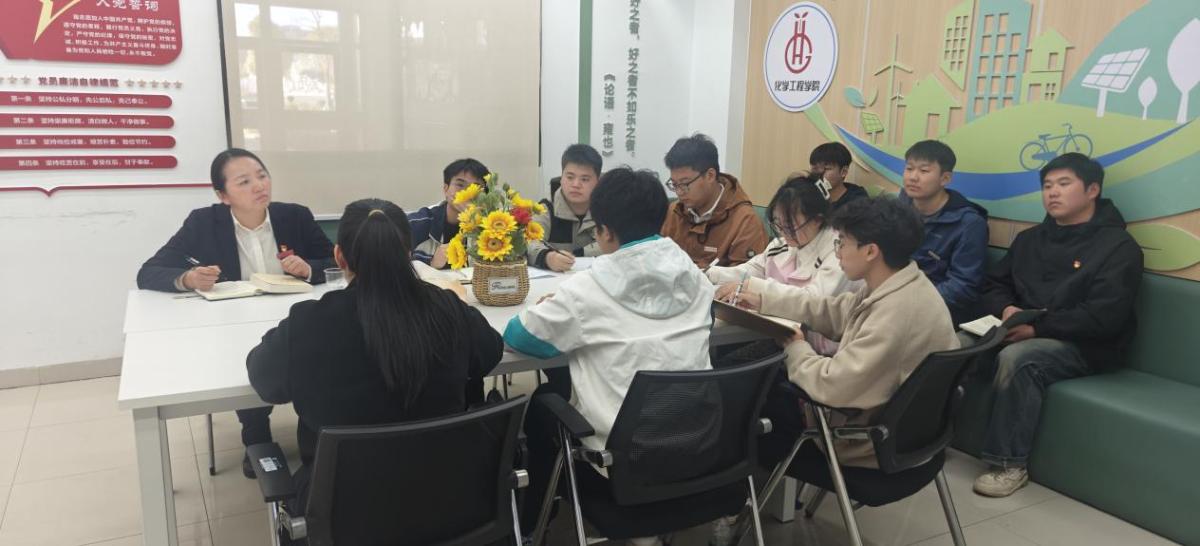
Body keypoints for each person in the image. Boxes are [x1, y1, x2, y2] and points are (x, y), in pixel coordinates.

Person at [246, 198, 503, 515]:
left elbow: (265, 381)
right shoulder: (447, 308)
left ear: (339, 256)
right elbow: (490, 352)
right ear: (407, 254)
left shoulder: (309, 322)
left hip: (341, 510)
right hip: (450, 502)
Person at [505, 168, 715, 545]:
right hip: (699, 447)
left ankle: (532, 525)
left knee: (543, 403)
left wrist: (559, 319)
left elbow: (520, 337)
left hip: (620, 465)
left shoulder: (586, 289)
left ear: (604, 232)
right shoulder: (696, 278)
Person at [137, 148, 334, 478]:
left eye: (262, 176)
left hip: (293, 318)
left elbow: (334, 261)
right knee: (248, 357)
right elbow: (149, 271)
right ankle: (256, 436)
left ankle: (314, 433)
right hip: (232, 326)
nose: (259, 185)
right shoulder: (203, 223)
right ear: (223, 195)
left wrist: (309, 268)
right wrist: (188, 278)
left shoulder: (294, 217)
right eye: (244, 181)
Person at [726, 196, 959, 469]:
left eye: (842, 243)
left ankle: (730, 485)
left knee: (747, 389)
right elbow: (833, 311)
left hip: (866, 442)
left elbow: (831, 386)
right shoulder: (902, 283)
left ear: (870, 251)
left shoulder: (896, 313)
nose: (837, 253)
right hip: (908, 435)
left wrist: (795, 345)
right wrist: (764, 300)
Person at [971, 153, 1142, 498]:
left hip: (1086, 346)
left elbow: (1104, 316)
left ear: (1092, 190)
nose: (1053, 192)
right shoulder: (1030, 239)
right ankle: (928, 437)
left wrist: (1037, 329)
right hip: (1020, 328)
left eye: (1064, 184)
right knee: (956, 341)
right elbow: (994, 284)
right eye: (1047, 185)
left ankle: (1008, 464)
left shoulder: (1119, 247)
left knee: (1020, 358)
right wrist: (1006, 308)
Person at [708, 173, 860, 361]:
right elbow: (751, 269)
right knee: (723, 360)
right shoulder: (784, 244)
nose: (783, 232)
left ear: (817, 219)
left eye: (790, 225)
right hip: (782, 337)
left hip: (823, 353)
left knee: (729, 365)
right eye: (778, 223)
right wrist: (708, 274)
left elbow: (814, 302)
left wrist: (752, 287)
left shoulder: (838, 250)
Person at [897, 140, 989, 325]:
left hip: (938, 312)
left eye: (924, 171)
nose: (913, 177)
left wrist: (910, 302)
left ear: (945, 178)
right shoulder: (899, 206)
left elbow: (962, 286)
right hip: (896, 297)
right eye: (909, 168)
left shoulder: (969, 224)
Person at [661, 133, 769, 268]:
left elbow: (745, 276)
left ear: (710, 175)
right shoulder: (675, 211)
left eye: (685, 184)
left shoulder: (745, 221)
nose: (679, 192)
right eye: (674, 184)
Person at [527, 144, 603, 272]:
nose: (576, 184)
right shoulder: (545, 209)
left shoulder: (606, 210)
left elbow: (617, 242)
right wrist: (548, 258)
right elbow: (528, 242)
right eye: (570, 177)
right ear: (561, 178)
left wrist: (579, 253)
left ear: (598, 182)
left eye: (585, 179)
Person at [408, 158, 490, 269]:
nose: (467, 192)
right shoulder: (417, 223)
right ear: (445, 189)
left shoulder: (494, 226)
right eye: (460, 185)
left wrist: (477, 225)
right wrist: (430, 262)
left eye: (476, 187)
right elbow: (395, 264)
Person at [809, 142, 868, 211]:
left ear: (844, 172)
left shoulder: (858, 203)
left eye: (826, 168)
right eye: (815, 169)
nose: (819, 174)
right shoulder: (810, 196)